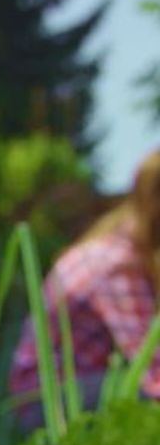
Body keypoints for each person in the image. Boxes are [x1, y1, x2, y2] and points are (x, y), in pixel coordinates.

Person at [11, 149, 160, 423]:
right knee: (145, 401)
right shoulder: (115, 263)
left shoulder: (120, 250)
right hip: (48, 398)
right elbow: (154, 367)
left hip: (76, 385)